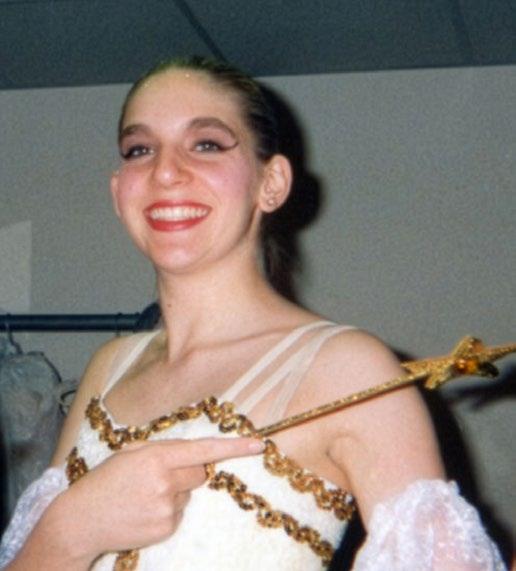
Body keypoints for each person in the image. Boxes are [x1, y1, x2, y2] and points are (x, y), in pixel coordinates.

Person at [0, 56, 505, 570]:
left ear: (272, 183)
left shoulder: (346, 368)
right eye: (140, 150)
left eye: (206, 144)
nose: (165, 171)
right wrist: (70, 530)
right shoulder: (109, 368)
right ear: (117, 191)